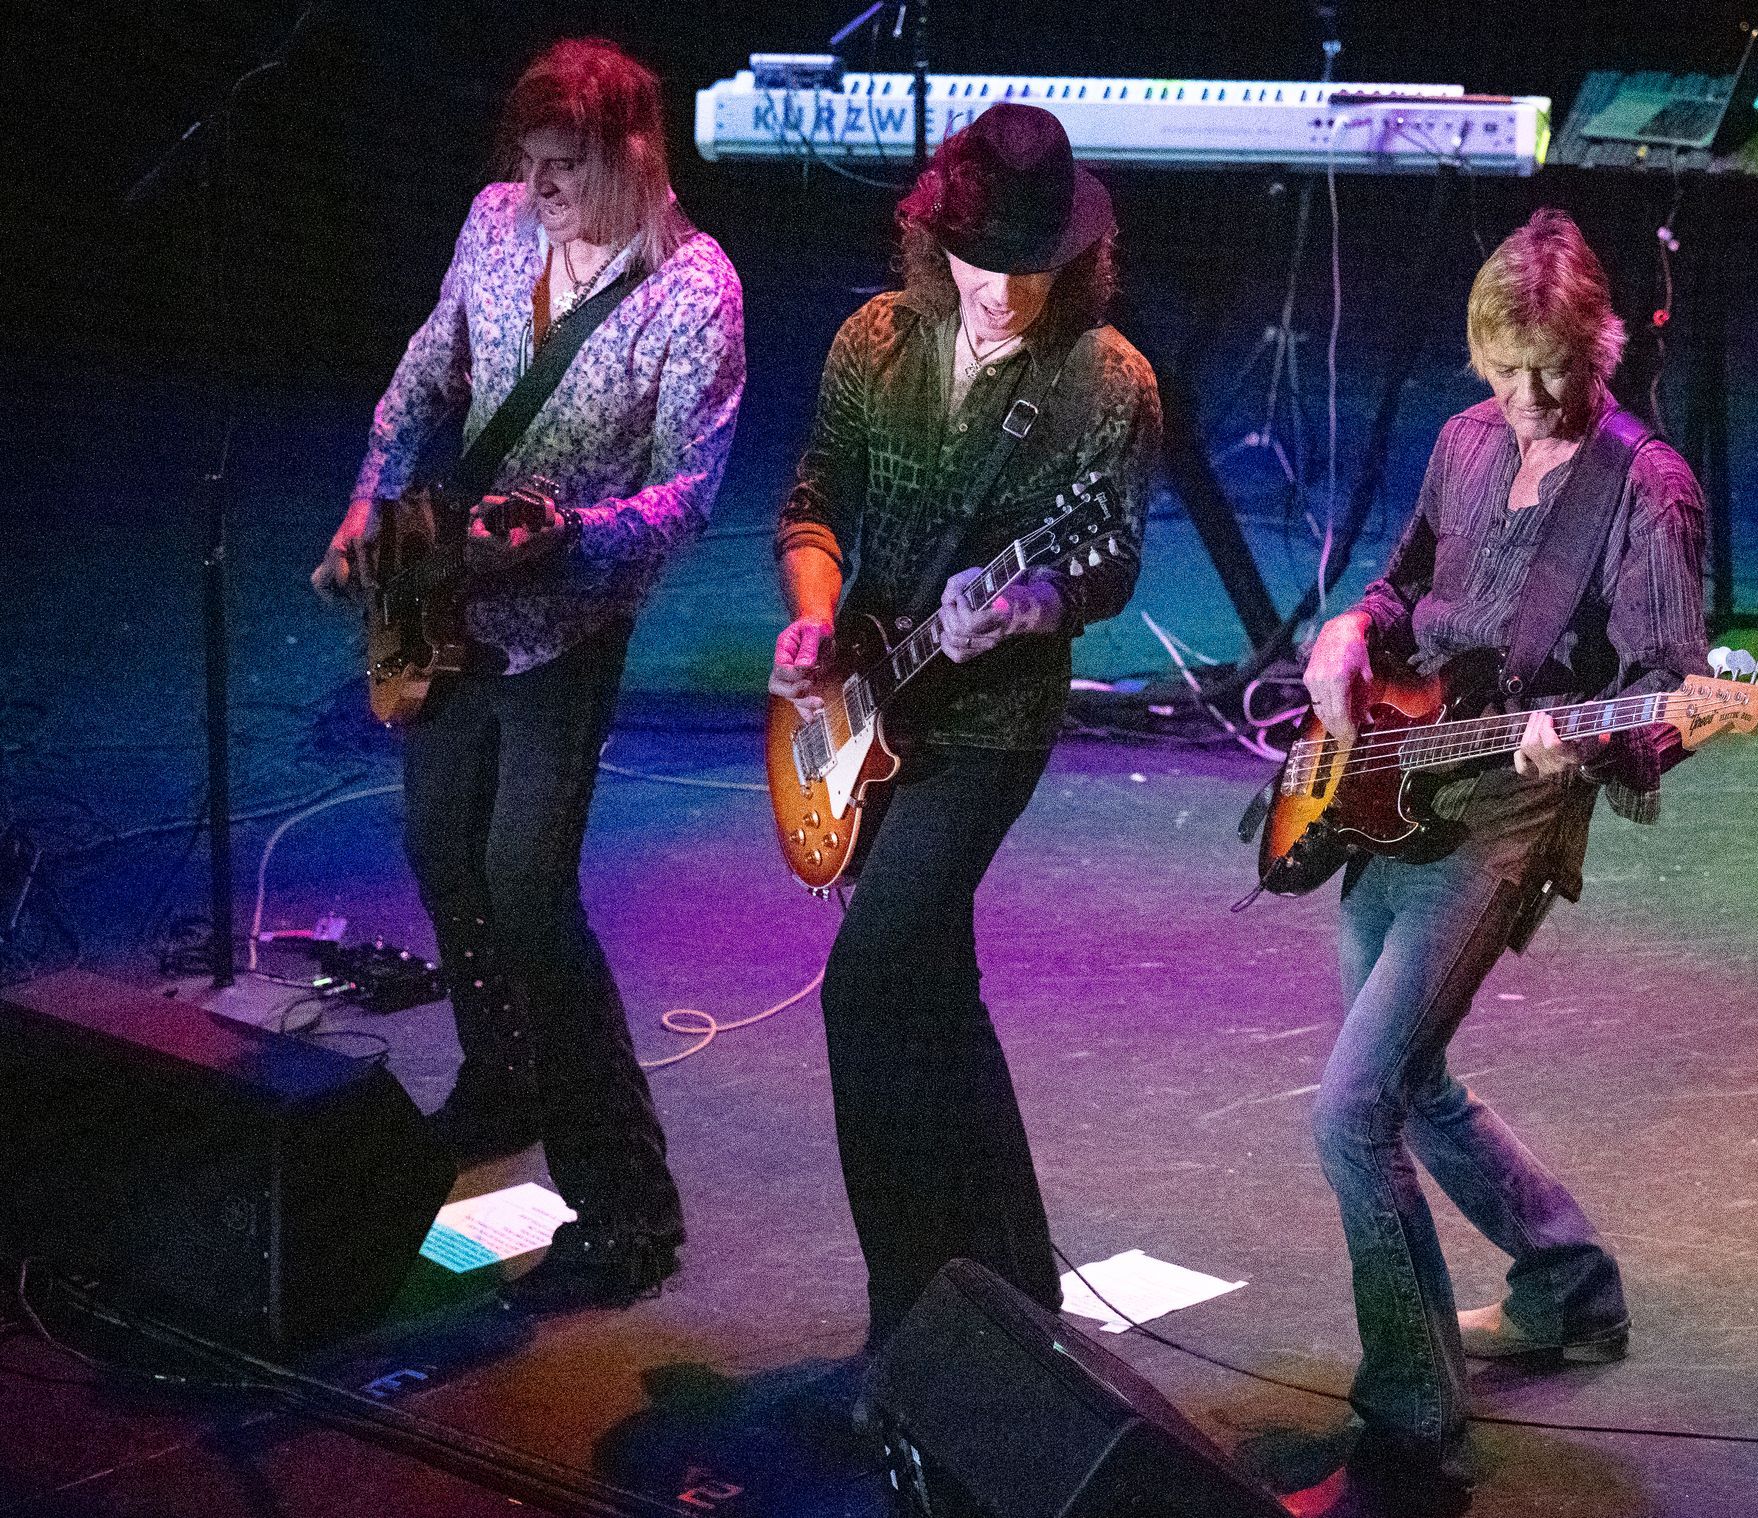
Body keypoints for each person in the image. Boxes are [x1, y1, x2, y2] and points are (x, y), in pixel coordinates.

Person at [1286, 209, 1708, 1517]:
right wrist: (1350, 631)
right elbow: (1406, 584)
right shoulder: (1466, 440)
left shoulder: (1649, 489)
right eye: (1505, 374)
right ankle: (1571, 1282)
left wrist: (1580, 745)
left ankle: (1411, 1438)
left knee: (1352, 1106)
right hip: (1401, 780)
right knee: (1410, 1089)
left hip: (1514, 814)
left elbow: (1673, 693)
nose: (1526, 405)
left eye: (1555, 377)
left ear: (1605, 350)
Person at [312, 38, 744, 1312]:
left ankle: (628, 1201)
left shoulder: (695, 293)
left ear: (635, 157)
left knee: (528, 885)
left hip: (568, 619)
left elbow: (690, 492)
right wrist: (366, 500)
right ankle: (500, 1077)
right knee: (441, 844)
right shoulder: (495, 227)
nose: (541, 190)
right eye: (532, 165)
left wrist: (572, 536)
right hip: (449, 596)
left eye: (568, 169)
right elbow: (426, 367)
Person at [769, 103, 1160, 1351]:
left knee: (867, 986)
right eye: (982, 264)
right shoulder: (871, 344)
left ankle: (906, 1312)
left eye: (1030, 272)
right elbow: (815, 500)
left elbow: (1105, 569)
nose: (1002, 293)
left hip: (989, 722)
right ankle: (1014, 1294)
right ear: (937, 243)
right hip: (868, 697)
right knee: (939, 992)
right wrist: (816, 619)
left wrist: (1031, 601)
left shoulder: (1109, 383)